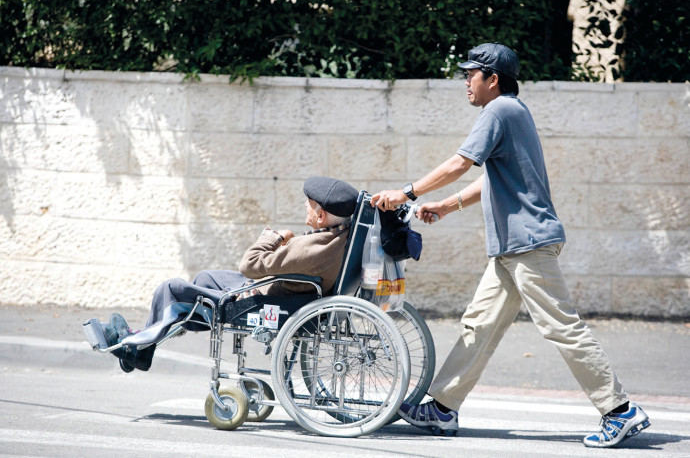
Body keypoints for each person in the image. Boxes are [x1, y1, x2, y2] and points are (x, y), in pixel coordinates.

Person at [371, 43, 650, 448]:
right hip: (511, 248)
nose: (466, 81)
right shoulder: (515, 113)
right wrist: (448, 206)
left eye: (471, 75)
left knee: (562, 327)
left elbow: (460, 163)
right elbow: (493, 179)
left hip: (529, 243)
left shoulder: (498, 110)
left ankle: (619, 410)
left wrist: (406, 192)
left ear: (493, 79)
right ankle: (444, 408)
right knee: (479, 324)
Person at [101, 175, 359, 371]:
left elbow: (249, 264)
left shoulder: (310, 250)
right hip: (283, 290)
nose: (305, 204)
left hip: (267, 301)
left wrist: (273, 237)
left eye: (309, 203)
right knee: (205, 278)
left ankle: (142, 345)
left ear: (321, 215)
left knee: (171, 289)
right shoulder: (339, 237)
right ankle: (153, 338)